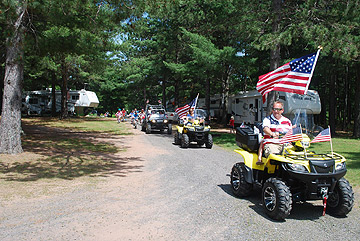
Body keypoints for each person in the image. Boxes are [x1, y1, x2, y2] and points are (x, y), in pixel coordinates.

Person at [256, 101, 292, 165]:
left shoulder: (287, 121)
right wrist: (272, 134)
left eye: (278, 109)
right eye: (274, 109)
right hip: (271, 143)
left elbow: (291, 132)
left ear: (282, 110)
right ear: (272, 110)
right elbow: (265, 129)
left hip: (285, 144)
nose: (276, 111)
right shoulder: (267, 119)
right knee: (275, 157)